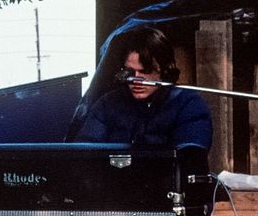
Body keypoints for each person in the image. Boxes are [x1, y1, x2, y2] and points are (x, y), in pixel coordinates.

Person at [75, 26, 213, 152]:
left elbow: (191, 157)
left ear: (164, 70)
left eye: (145, 71)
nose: (136, 79)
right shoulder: (107, 105)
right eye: (130, 71)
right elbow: (84, 153)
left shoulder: (189, 105)